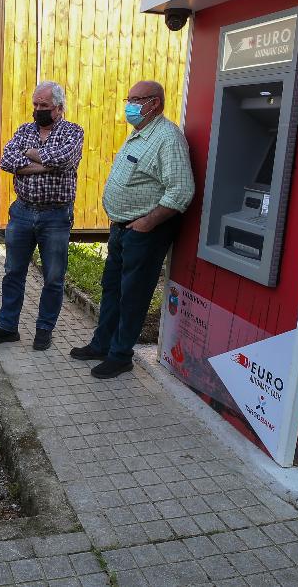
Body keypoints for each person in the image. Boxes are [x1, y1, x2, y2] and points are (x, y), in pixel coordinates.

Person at [70, 80, 194, 379]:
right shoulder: (140, 135)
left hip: (145, 233)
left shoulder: (167, 137)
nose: (130, 105)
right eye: (130, 98)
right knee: (111, 288)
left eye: (137, 99)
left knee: (133, 296)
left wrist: (146, 223)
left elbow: (182, 190)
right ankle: (102, 344)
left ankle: (121, 355)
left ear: (155, 104)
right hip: (122, 228)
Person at [0, 82, 84, 351]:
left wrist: (29, 158)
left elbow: (64, 160)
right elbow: (7, 161)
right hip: (22, 212)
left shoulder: (73, 132)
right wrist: (44, 164)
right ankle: (7, 327)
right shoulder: (25, 130)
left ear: (58, 108)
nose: (37, 110)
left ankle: (44, 329)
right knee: (13, 272)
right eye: (35, 105)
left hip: (56, 216)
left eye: (44, 106)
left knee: (53, 277)